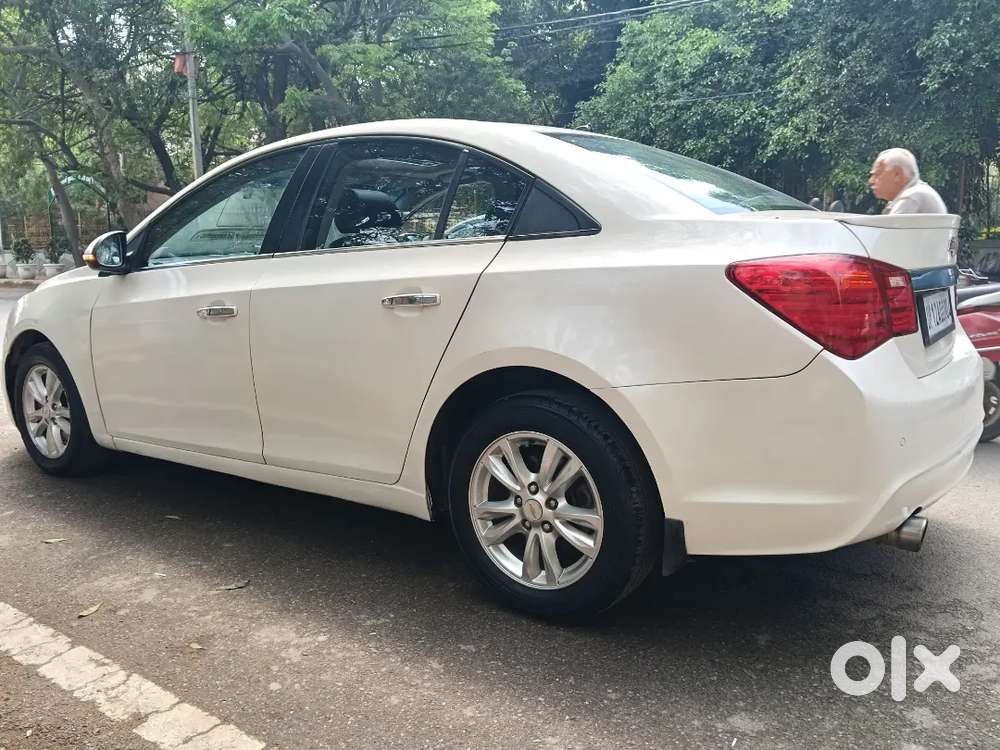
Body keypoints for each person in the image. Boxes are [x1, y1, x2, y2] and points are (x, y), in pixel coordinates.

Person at [869, 148, 947, 214]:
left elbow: (892, 228)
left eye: (877, 174)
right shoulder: (916, 193)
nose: (871, 181)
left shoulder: (912, 197)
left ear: (897, 174)